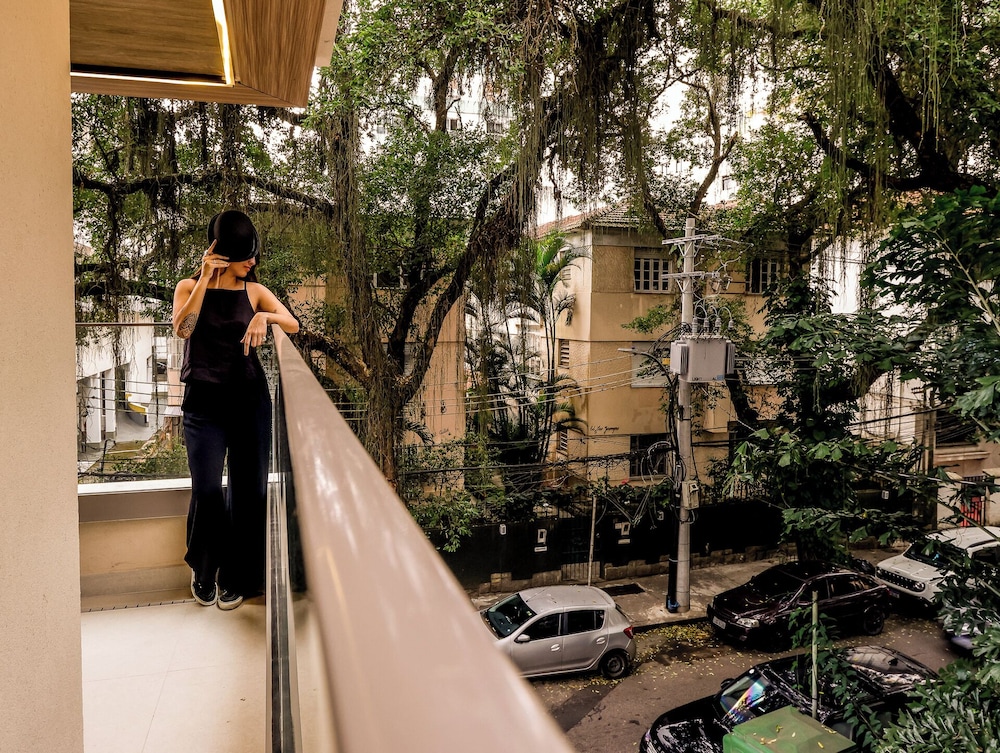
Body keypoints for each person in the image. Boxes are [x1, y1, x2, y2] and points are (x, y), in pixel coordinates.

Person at [172, 210, 299, 610]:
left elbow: (292, 324)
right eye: (246, 256)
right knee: (207, 489)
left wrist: (263, 316)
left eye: (253, 255)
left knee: (249, 490)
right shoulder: (188, 286)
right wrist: (205, 279)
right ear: (223, 255)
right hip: (203, 403)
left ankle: (237, 576)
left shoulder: (255, 291)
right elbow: (183, 328)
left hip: (248, 400)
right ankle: (203, 568)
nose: (253, 262)